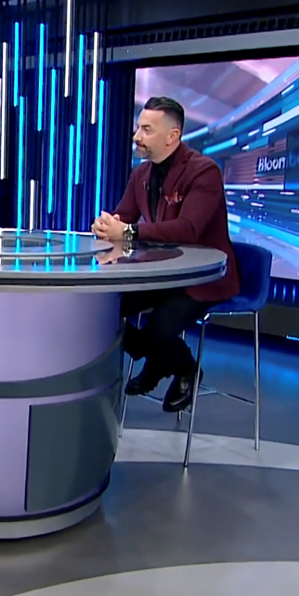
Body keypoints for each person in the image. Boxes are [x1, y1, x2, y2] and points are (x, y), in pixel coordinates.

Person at [92, 96, 240, 413]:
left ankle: (184, 368)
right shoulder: (141, 174)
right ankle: (159, 359)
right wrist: (107, 224)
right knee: (101, 308)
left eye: (146, 130)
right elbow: (124, 216)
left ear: (172, 136)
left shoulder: (204, 171)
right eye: (138, 128)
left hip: (203, 277)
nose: (137, 136)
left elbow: (188, 229)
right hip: (161, 272)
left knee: (160, 329)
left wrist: (128, 232)